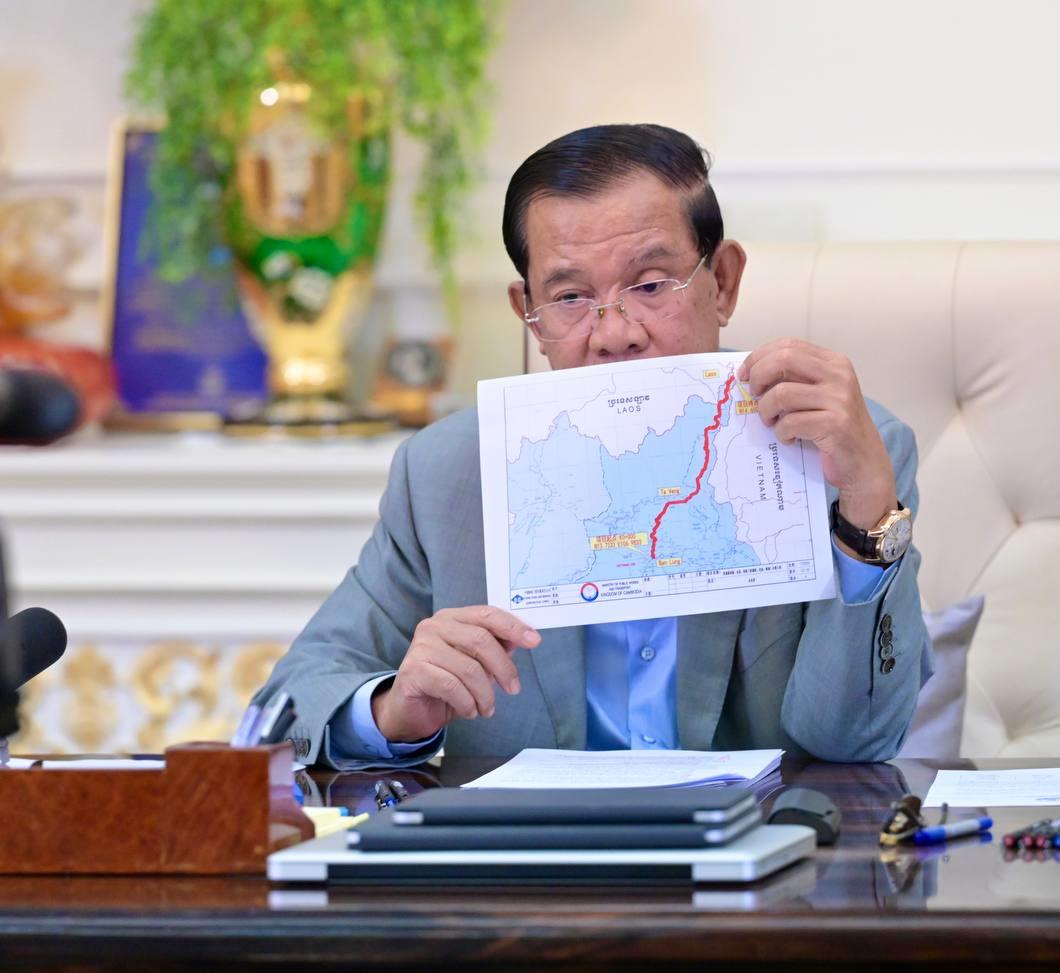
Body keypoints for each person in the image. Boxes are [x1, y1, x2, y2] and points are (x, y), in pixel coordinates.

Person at [253, 124, 932, 768]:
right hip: (535, 850)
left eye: (651, 285)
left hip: (758, 843)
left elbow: (858, 741)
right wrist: (393, 710)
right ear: (530, 317)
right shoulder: (446, 472)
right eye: (572, 297)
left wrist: (869, 505)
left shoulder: (841, 452)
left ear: (722, 282)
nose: (614, 334)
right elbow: (282, 713)